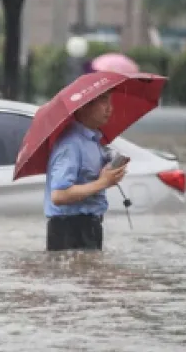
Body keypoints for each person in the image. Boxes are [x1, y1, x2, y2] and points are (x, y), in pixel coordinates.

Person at [44, 90, 129, 251]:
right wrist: (103, 182)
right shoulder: (70, 144)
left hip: (90, 225)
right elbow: (58, 195)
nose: (109, 108)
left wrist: (109, 172)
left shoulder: (93, 141)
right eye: (103, 101)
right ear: (83, 106)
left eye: (110, 102)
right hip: (69, 229)